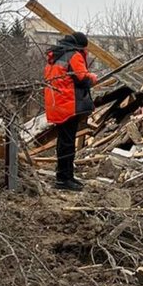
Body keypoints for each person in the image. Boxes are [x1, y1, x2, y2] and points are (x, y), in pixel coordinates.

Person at [44, 32, 98, 191]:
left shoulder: (56, 55)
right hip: (68, 104)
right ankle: (64, 179)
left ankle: (66, 176)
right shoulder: (73, 55)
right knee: (67, 143)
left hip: (56, 104)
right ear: (81, 45)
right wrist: (93, 78)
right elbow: (83, 79)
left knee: (64, 141)